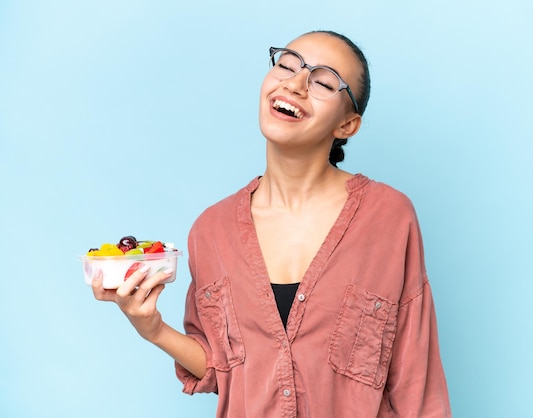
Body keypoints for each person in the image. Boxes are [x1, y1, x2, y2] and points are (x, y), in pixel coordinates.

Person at [92, 30, 452, 417]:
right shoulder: (211, 231)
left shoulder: (388, 217)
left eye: (323, 82)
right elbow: (224, 369)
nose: (295, 84)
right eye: (287, 64)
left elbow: (417, 380)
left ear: (347, 125)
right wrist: (152, 328)